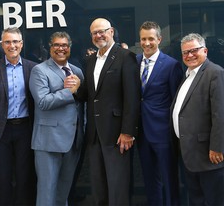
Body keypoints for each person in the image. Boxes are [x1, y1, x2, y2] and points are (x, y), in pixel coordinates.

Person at [77, 17, 141, 205]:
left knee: (117, 187)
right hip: (95, 134)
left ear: (111, 31)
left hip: (117, 134)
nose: (98, 35)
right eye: (94, 33)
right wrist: (75, 89)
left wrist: (128, 131)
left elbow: (132, 97)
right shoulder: (90, 61)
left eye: (102, 31)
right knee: (98, 187)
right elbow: (90, 94)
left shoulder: (125, 56)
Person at [0, 27, 37, 205]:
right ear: (2, 45)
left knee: (24, 176)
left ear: (21, 44)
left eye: (15, 41)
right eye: (7, 42)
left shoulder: (32, 68)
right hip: (1, 131)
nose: (11, 45)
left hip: (25, 130)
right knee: (3, 177)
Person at [29, 31, 84, 206]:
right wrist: (69, 91)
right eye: (57, 45)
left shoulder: (77, 72)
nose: (61, 49)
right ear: (50, 47)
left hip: (73, 140)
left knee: (63, 191)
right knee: (47, 192)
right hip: (48, 141)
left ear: (70, 48)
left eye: (64, 45)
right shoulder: (39, 70)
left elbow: (83, 103)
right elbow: (43, 102)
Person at [172, 33, 224, 206]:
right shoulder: (188, 75)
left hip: (209, 156)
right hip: (190, 154)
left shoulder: (215, 72)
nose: (189, 55)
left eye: (194, 50)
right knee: (197, 200)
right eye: (185, 52)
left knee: (214, 200)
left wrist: (217, 147)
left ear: (205, 51)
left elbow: (220, 114)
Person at [136, 21, 183, 205]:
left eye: (151, 39)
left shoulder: (172, 65)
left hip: (163, 132)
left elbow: (175, 103)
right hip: (142, 132)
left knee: (169, 178)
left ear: (159, 39)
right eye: (143, 39)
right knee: (149, 178)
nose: (147, 43)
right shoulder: (135, 61)